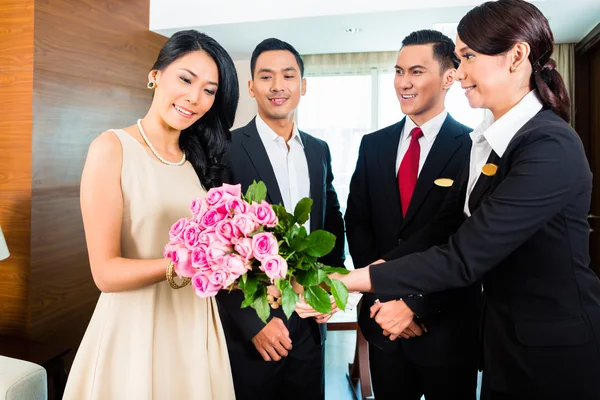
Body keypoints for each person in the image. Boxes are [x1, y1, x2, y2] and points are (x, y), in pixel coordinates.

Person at [300, 0, 600, 398]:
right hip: (506, 339)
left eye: (469, 56)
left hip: (553, 351)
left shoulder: (548, 144)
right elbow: (443, 229)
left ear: (517, 56)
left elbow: (464, 255)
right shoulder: (492, 142)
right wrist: (350, 280)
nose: (459, 72)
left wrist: (352, 282)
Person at [63, 30, 239, 399]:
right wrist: (183, 263)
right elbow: (105, 273)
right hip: (136, 329)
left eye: (209, 90)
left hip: (195, 324)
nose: (195, 98)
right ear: (156, 74)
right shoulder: (112, 148)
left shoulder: (198, 160)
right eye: (186, 79)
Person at [344, 29, 479, 400]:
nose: (404, 82)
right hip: (384, 323)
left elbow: (466, 240)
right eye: (399, 71)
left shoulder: (474, 147)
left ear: (449, 76)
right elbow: (357, 224)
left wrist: (416, 306)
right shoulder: (373, 145)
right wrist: (385, 299)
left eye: (416, 71)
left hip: (446, 325)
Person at [216, 38, 345, 400]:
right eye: (266, 76)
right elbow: (215, 244)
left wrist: (333, 287)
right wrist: (252, 324)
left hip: (308, 319)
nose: (278, 86)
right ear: (251, 86)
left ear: (302, 86)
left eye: (288, 76)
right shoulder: (225, 148)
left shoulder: (319, 150)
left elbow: (331, 223)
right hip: (254, 322)